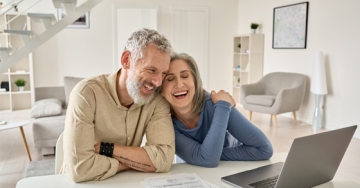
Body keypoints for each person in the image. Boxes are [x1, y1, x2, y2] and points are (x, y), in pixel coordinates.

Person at [61, 28, 175, 182]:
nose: (158, 82)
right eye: (151, 70)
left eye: (163, 73)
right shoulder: (86, 93)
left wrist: (105, 148)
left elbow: (163, 159)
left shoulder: (157, 101)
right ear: (126, 60)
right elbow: (80, 168)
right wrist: (133, 163)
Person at [159, 53, 273, 167]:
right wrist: (208, 155)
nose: (179, 84)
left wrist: (209, 154)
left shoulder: (219, 105)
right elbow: (207, 159)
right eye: (170, 79)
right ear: (161, 91)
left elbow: (265, 149)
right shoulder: (165, 124)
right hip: (194, 174)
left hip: (230, 169)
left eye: (185, 76)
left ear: (195, 81)